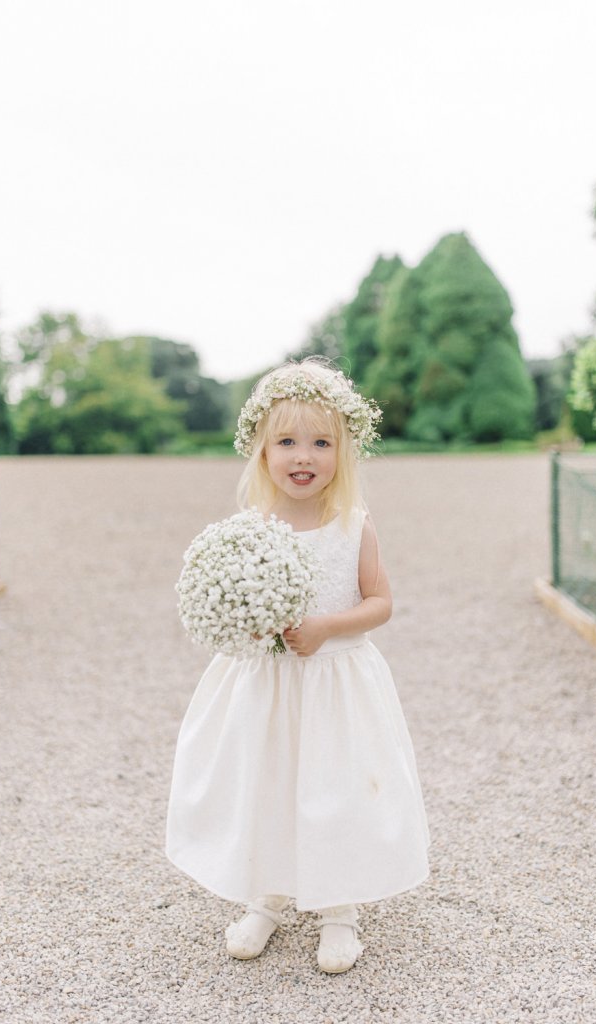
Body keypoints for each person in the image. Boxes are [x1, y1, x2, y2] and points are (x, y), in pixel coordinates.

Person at [166, 358, 430, 974]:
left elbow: (381, 603)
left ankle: (339, 909)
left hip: (336, 683)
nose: (302, 455)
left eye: (321, 442)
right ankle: (267, 895)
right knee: (269, 780)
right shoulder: (249, 533)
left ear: (343, 452)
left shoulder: (352, 527)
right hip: (269, 685)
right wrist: (246, 622)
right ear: (260, 450)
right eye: (286, 441)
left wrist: (325, 628)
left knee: (335, 787)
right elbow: (232, 604)